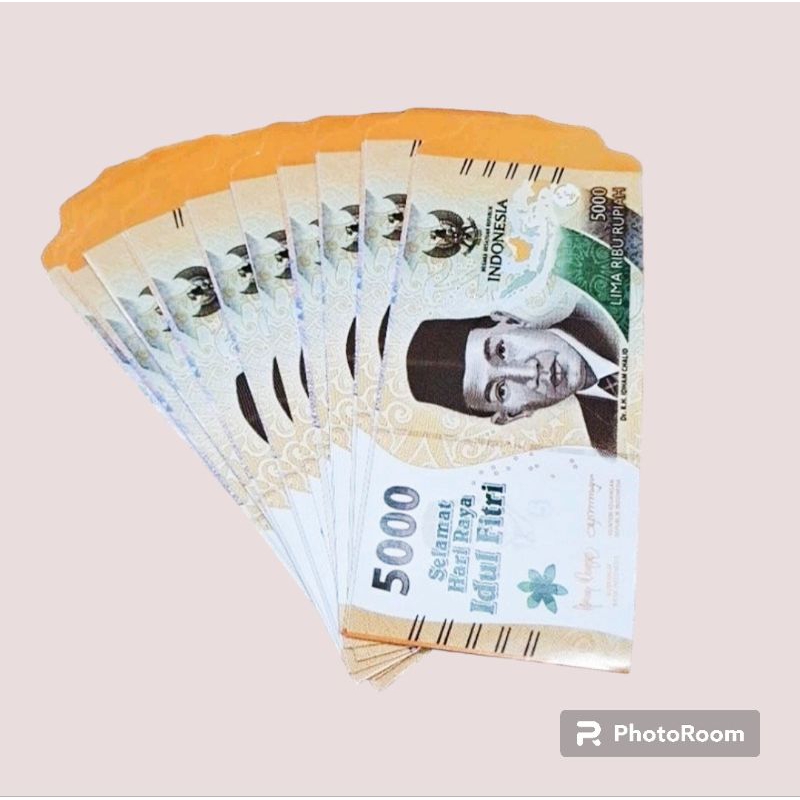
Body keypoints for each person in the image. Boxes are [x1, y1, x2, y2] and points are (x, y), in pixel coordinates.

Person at [405, 304, 621, 453]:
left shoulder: (602, 306)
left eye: (501, 350)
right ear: (513, 414)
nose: (532, 373)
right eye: (501, 391)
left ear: (510, 320)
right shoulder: (608, 444)